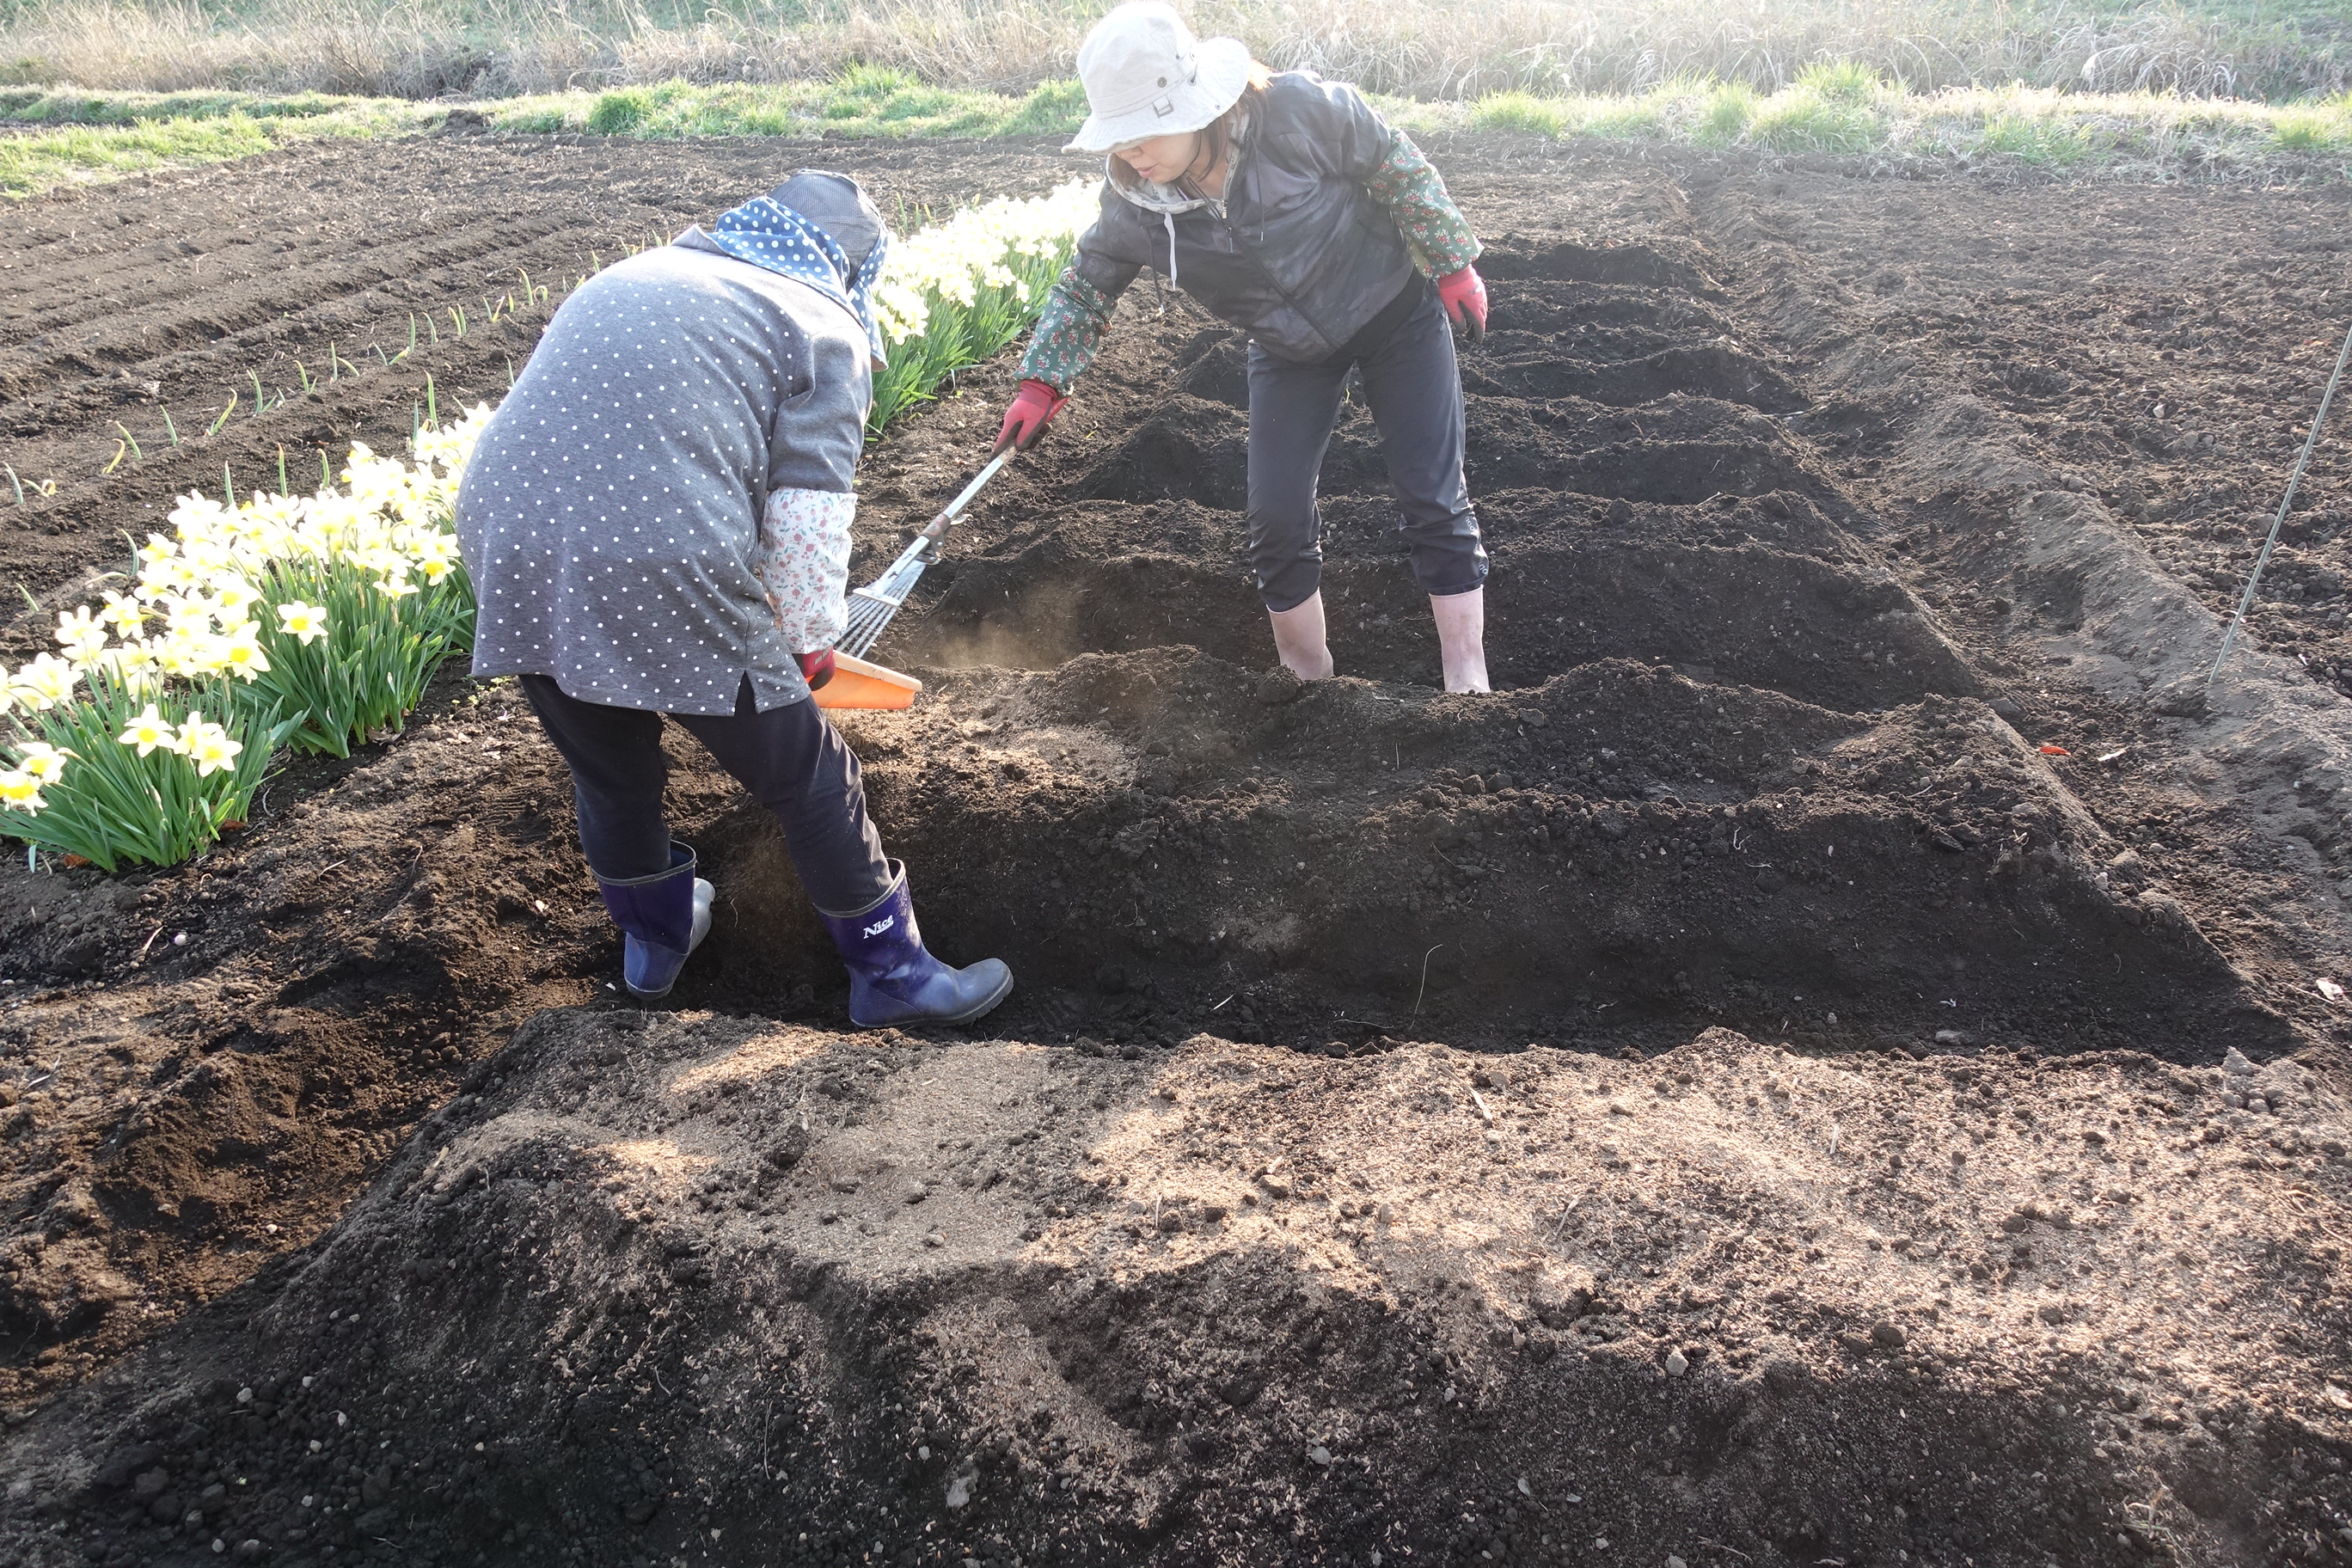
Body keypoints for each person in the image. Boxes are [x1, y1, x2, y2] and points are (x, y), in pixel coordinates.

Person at [453, 170, 1012, 1026]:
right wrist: (808, 643)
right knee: (811, 774)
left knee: (610, 768)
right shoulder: (820, 324)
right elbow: (809, 516)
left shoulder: (642, 271)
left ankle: (657, 944)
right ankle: (894, 976)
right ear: (851, 269)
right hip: (660, 546)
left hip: (508, 535)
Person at [998, 0, 1493, 693]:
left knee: (1432, 498)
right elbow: (1086, 286)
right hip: (1288, 350)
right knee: (1275, 520)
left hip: (1392, 312)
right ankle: (1306, 681)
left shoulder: (1293, 112)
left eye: (1144, 130)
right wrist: (1042, 381)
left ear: (1193, 104)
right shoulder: (1135, 204)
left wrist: (1450, 261)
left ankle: (1467, 677)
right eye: (1118, 136)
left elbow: (1390, 157)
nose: (1131, 152)